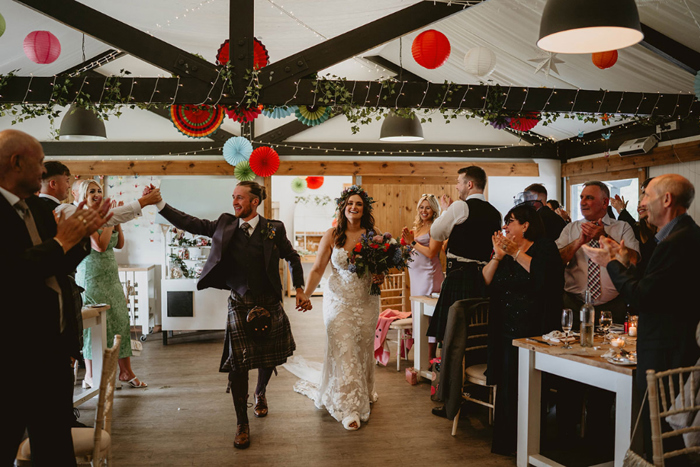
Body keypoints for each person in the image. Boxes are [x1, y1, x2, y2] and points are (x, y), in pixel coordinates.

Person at [156, 180, 309, 449]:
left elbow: (293, 257)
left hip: (270, 301)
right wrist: (160, 204)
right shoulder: (225, 224)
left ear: (254, 202)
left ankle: (260, 393)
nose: (235, 202)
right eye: (233, 197)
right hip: (240, 302)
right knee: (238, 365)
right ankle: (242, 423)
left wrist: (299, 288)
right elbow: (190, 223)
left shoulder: (274, 229)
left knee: (267, 357)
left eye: (240, 198)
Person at [0, 129, 112, 466]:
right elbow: (12, 271)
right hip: (12, 357)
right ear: (16, 162)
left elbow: (55, 266)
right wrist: (62, 242)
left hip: (50, 353)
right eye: (39, 163)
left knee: (55, 448)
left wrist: (81, 237)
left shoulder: (33, 208)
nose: (43, 172)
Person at [584, 174, 700, 463]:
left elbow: (643, 297)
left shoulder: (679, 241)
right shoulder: (679, 236)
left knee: (663, 440)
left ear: (667, 199)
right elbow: (655, 286)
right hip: (672, 344)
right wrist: (622, 258)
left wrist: (610, 263)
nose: (643, 203)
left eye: (646, 195)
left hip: (667, 350)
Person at [286, 185, 384, 431]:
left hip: (366, 301)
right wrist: (305, 295)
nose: (354, 207)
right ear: (343, 207)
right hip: (338, 301)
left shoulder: (374, 235)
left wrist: (380, 275)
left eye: (359, 204)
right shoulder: (332, 234)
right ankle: (348, 407)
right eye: (350, 203)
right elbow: (318, 268)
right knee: (344, 349)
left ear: (365, 208)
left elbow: (380, 268)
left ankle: (363, 391)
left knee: (361, 349)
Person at [482, 204, 563, 455]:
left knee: (529, 389)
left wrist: (515, 252)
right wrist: (497, 255)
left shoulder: (544, 247)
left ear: (526, 225)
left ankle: (532, 443)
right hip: (505, 329)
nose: (505, 226)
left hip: (534, 330)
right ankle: (508, 444)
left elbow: (544, 279)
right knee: (507, 388)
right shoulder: (505, 251)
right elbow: (485, 280)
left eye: (511, 221)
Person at [75, 180, 149, 391]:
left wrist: (115, 220)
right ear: (83, 196)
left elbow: (119, 244)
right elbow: (99, 245)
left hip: (110, 277)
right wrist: (109, 219)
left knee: (120, 321)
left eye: (99, 190)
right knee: (94, 326)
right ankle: (90, 375)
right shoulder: (83, 217)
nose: (97, 193)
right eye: (92, 191)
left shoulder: (106, 216)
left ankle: (126, 372)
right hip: (92, 277)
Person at [428, 166, 501, 342]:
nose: (456, 187)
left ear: (469, 184)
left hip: (459, 277)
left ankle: (451, 369)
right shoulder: (496, 213)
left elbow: (436, 233)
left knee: (453, 334)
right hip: (484, 278)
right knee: (474, 333)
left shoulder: (460, 206)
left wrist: (446, 211)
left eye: (458, 183)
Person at [556, 181, 640, 324]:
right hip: (575, 305)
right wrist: (578, 243)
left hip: (613, 307)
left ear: (604, 202)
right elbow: (556, 261)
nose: (582, 202)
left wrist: (604, 237)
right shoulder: (571, 229)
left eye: (589, 198)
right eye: (581, 197)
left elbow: (634, 260)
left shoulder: (622, 227)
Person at [401, 194, 444, 361]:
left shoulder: (435, 228)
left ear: (434, 210)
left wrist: (412, 242)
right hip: (416, 276)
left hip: (429, 275)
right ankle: (420, 355)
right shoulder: (418, 228)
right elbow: (415, 248)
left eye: (427, 207)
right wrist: (405, 245)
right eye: (421, 207)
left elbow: (432, 252)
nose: (424, 210)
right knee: (418, 314)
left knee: (429, 316)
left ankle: (430, 356)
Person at [610, 177, 657, 276]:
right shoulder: (635, 229)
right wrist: (620, 209)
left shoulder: (665, 232)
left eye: (645, 201)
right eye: (639, 203)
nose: (640, 206)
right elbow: (628, 221)